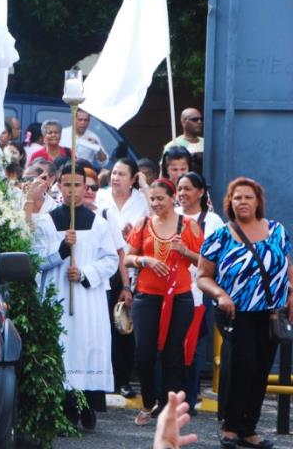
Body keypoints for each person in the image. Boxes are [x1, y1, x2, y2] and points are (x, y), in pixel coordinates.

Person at [198, 178, 292, 449]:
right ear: (230, 202)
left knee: (260, 370)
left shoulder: (277, 231)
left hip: (271, 313)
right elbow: (202, 277)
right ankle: (230, 426)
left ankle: (249, 429)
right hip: (236, 313)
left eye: (248, 197)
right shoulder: (221, 235)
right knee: (242, 366)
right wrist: (221, 295)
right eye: (237, 197)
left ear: (258, 201)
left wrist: (292, 294)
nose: (243, 202)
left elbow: (287, 267)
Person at [32, 164, 118, 430]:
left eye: (78, 185)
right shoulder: (46, 222)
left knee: (88, 348)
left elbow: (111, 260)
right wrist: (60, 251)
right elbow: (35, 260)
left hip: (87, 297)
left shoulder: (99, 223)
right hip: (58, 295)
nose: (72, 191)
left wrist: (84, 272)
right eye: (66, 185)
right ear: (59, 186)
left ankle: (88, 405)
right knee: (63, 349)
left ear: (86, 187)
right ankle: (64, 408)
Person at [124, 179, 203, 426]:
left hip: (179, 297)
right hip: (147, 297)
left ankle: (169, 409)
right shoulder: (143, 223)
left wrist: (185, 252)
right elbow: (126, 257)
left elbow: (205, 261)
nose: (156, 203)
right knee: (145, 355)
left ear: (172, 198)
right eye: (152, 199)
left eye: (160, 198)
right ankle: (149, 403)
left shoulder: (189, 225)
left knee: (173, 355)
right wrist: (144, 261)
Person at [95, 157, 150, 398]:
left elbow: (152, 226)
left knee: (125, 327)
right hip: (104, 268)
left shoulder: (141, 201)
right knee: (102, 325)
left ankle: (123, 380)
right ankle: (101, 379)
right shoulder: (100, 196)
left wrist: (134, 234)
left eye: (121, 174)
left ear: (133, 178)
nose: (115, 177)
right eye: (114, 173)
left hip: (131, 268)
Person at [175, 171, 223, 414]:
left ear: (201, 192)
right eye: (179, 189)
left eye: (187, 189)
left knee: (192, 347)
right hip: (170, 289)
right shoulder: (170, 217)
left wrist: (186, 252)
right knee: (170, 345)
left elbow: (215, 261)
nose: (182, 194)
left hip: (197, 291)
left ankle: (189, 398)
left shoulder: (212, 221)